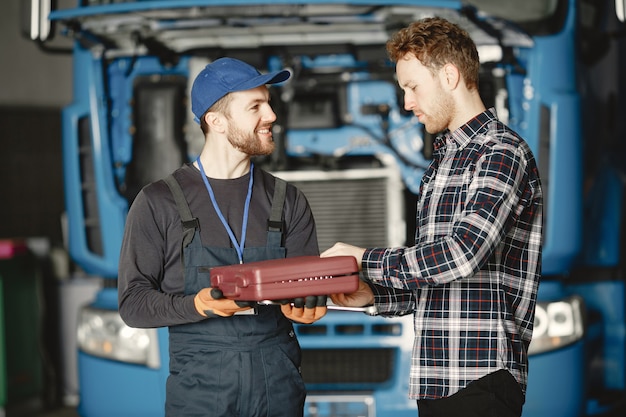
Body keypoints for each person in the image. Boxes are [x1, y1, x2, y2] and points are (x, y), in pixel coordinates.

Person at [321, 17, 543, 417]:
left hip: (481, 375)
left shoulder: (501, 153)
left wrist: (363, 259)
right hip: (437, 377)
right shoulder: (441, 163)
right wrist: (375, 296)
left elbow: (462, 255)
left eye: (412, 87)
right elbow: (438, 280)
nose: (406, 102)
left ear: (450, 75)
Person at [118, 57, 327, 417]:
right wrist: (197, 305)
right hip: (200, 388)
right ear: (216, 121)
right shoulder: (159, 202)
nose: (272, 115)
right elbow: (133, 304)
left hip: (276, 383)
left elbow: (310, 288)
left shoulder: (287, 200)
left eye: (269, 102)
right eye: (255, 106)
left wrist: (311, 304)